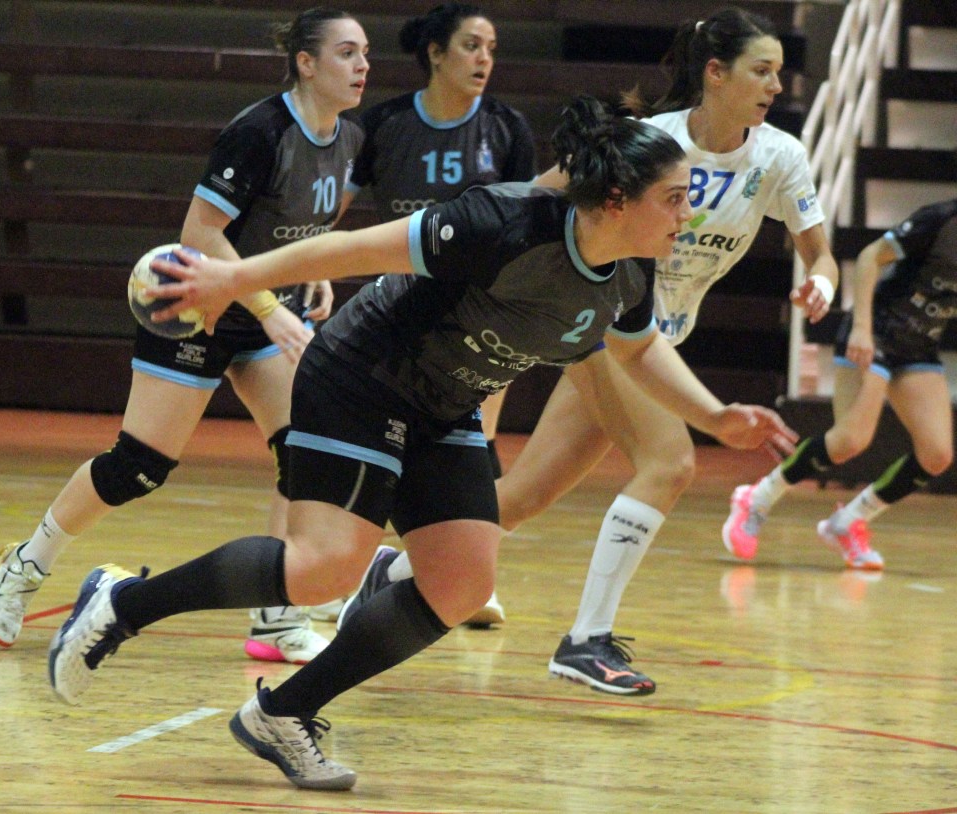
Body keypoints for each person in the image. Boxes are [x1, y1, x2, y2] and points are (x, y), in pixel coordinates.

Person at [45, 96, 796, 791]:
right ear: (617, 200)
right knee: (322, 567)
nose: (688, 212)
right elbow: (347, 250)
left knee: (461, 583)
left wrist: (716, 417)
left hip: (445, 402)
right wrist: (232, 279)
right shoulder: (500, 223)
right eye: (675, 197)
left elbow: (638, 350)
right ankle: (123, 603)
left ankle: (282, 713)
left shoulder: (632, 272)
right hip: (363, 375)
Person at [351, 6, 838, 695]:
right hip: (602, 321)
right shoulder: (654, 142)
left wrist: (821, 282)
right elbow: (542, 194)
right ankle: (586, 641)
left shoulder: (780, 157)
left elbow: (821, 253)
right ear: (716, 73)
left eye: (778, 73)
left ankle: (393, 568)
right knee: (669, 463)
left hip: (657, 339)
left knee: (526, 496)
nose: (775, 86)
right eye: (761, 71)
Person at [0, 8, 368, 666]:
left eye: (364, 54)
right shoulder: (259, 132)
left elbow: (308, 223)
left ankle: (277, 618)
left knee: (305, 452)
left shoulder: (350, 138)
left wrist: (316, 272)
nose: (362, 66)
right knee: (137, 468)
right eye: (346, 53)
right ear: (306, 63)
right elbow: (200, 232)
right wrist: (270, 307)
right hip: (198, 307)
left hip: (265, 315)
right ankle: (24, 565)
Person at [247, 2, 536, 638]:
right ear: (435, 53)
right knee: (366, 444)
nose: (484, 59)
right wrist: (309, 265)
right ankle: (337, 574)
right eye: (471, 45)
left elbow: (530, 222)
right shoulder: (383, 125)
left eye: (491, 48)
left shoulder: (507, 129)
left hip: (478, 316)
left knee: (475, 443)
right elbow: (328, 208)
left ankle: (452, 573)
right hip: (396, 314)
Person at [723, 198, 956, 567]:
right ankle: (757, 498)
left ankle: (847, 522)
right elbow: (869, 257)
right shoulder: (941, 220)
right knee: (850, 440)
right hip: (876, 330)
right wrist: (862, 328)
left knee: (937, 455)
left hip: (918, 346)